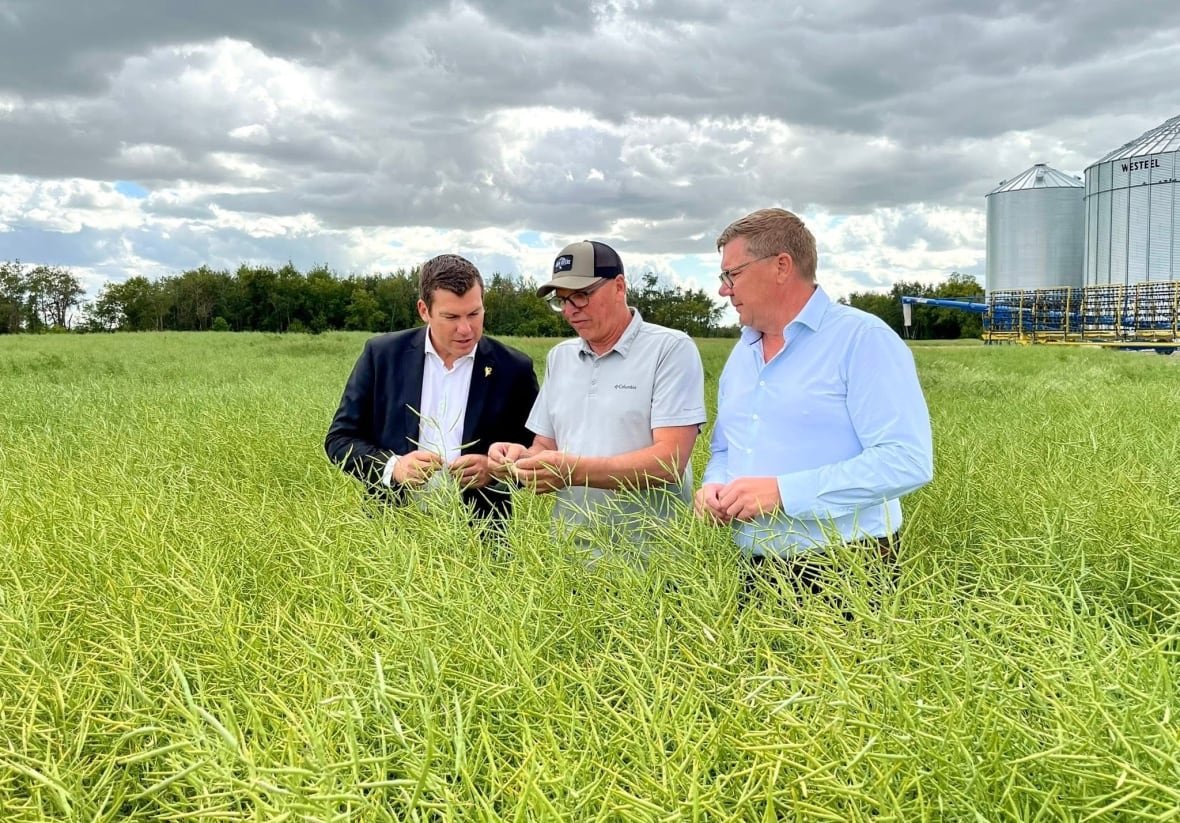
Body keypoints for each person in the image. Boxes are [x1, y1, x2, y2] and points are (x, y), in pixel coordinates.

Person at [693, 208, 933, 592]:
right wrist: (714, 486)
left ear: (781, 266)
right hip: (750, 563)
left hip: (848, 566)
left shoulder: (862, 339)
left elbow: (906, 461)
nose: (724, 289)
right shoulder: (742, 354)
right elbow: (726, 448)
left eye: (732, 274)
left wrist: (784, 493)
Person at [487, 240, 706, 554]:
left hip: (652, 557)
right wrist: (519, 459)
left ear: (619, 287)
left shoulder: (670, 349)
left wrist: (574, 471)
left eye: (581, 295)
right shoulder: (560, 357)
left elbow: (669, 462)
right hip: (570, 552)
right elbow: (546, 446)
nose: (570, 310)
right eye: (562, 300)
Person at [325, 254, 538, 524]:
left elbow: (534, 450)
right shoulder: (382, 355)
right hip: (389, 529)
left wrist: (494, 470)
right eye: (451, 316)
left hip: (482, 534)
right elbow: (340, 439)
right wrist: (394, 468)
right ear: (424, 310)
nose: (466, 329)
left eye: (474, 313)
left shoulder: (514, 368)